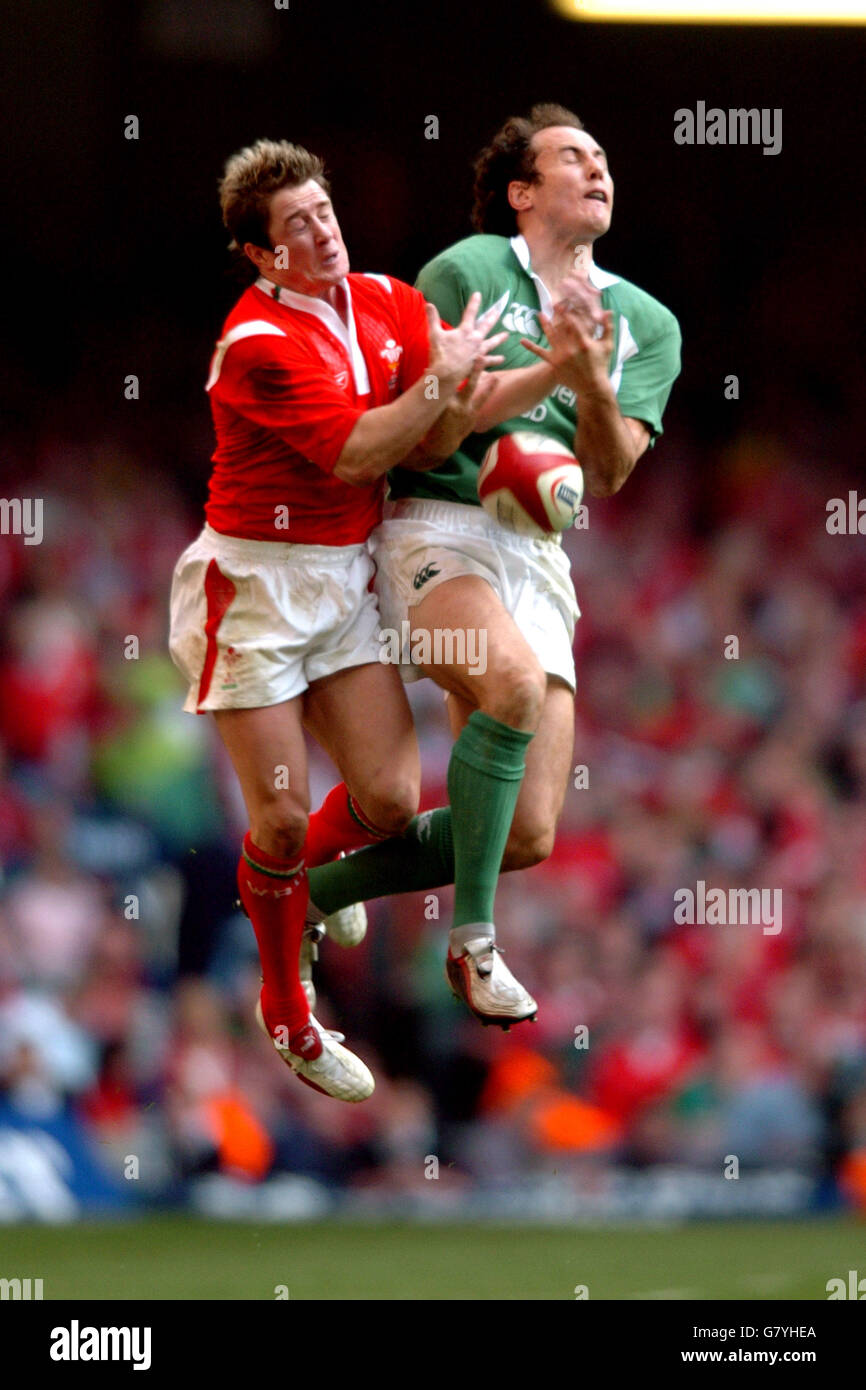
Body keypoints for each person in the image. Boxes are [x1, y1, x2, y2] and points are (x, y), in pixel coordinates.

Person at [305, 104, 681, 1027]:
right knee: (510, 687)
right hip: (438, 522)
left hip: (538, 548)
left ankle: (309, 891)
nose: (598, 170)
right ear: (520, 193)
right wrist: (543, 375)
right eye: (571, 159)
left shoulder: (646, 321)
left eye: (603, 158)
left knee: (529, 834)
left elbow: (610, 471)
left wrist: (588, 377)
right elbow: (434, 420)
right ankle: (473, 945)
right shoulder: (465, 271)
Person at [168, 138, 512, 1102]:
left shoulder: (390, 299)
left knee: (393, 802)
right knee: (276, 816)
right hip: (258, 592)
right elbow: (360, 454)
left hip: (345, 579)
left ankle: (300, 892)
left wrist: (456, 383)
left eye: (323, 211)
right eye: (295, 227)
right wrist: (438, 383)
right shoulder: (256, 346)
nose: (320, 231)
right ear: (260, 254)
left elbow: (433, 438)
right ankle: (287, 1009)